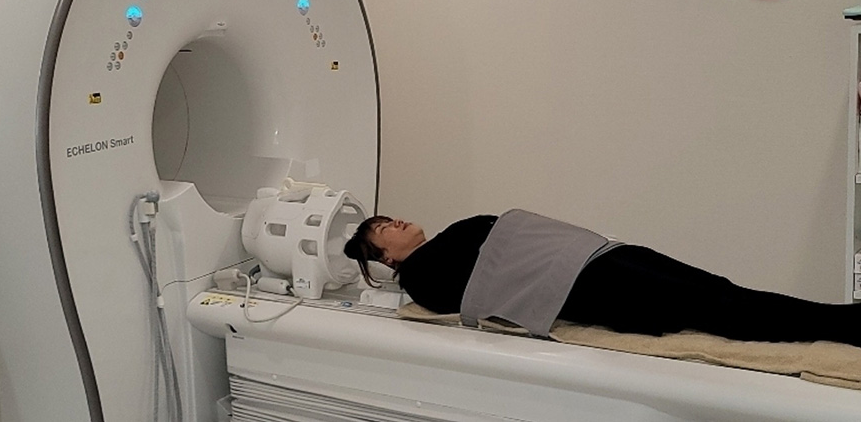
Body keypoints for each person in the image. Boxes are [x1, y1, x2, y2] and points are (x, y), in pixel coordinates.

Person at [343, 212, 861, 347]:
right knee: (719, 306)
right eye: (384, 230)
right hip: (586, 285)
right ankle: (844, 325)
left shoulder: (440, 248)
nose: (397, 223)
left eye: (392, 218)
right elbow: (481, 289)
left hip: (595, 260)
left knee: (720, 293)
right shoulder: (423, 278)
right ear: (386, 260)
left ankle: (841, 321)